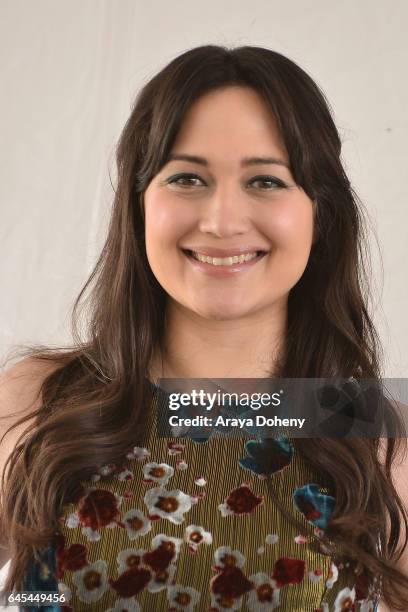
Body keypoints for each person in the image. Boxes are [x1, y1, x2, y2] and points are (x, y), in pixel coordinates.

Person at [0, 44, 407, 611]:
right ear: (139, 205)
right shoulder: (37, 404)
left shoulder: (379, 436)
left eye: (265, 181)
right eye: (188, 178)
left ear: (321, 215)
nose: (221, 221)